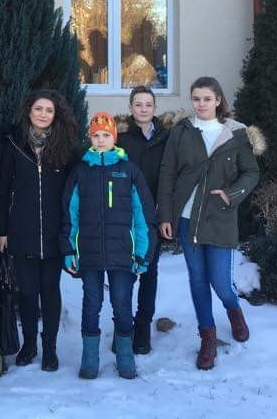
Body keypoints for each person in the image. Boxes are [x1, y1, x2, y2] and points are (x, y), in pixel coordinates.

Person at [157, 77, 261, 371]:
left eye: (206, 99)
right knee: (198, 279)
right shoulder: (182, 131)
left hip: (219, 218)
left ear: (218, 100)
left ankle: (233, 310)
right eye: (196, 99)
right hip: (186, 219)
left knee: (221, 283)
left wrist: (231, 194)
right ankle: (208, 337)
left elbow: (251, 173)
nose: (201, 104)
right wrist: (166, 215)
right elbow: (167, 172)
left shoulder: (236, 134)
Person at [61, 112, 156, 380]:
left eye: (106, 135)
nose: (101, 140)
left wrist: (142, 253)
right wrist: (69, 250)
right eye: (96, 135)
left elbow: (142, 216)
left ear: (114, 137)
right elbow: (70, 214)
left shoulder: (128, 171)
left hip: (122, 253)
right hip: (89, 252)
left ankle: (125, 356)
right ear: (89, 138)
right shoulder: (81, 171)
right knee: (92, 303)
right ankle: (89, 358)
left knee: (122, 302)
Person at [0, 89, 80, 371]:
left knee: (50, 291)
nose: (43, 114)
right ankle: (29, 345)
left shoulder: (66, 146)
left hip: (55, 232)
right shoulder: (14, 144)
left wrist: (72, 232)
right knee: (28, 292)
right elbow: (3, 189)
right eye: (38, 109)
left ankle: (50, 349)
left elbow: (74, 193)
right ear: (29, 111)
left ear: (56, 115)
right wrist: (2, 230)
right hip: (22, 231)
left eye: (49, 110)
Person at [116, 85, 171, 354]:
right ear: (130, 107)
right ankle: (122, 328)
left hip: (153, 218)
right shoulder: (121, 138)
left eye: (148, 104)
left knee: (149, 272)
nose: (143, 109)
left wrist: (165, 214)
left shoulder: (166, 138)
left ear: (155, 108)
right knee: (125, 276)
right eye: (138, 104)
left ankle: (143, 328)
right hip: (125, 218)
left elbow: (171, 177)